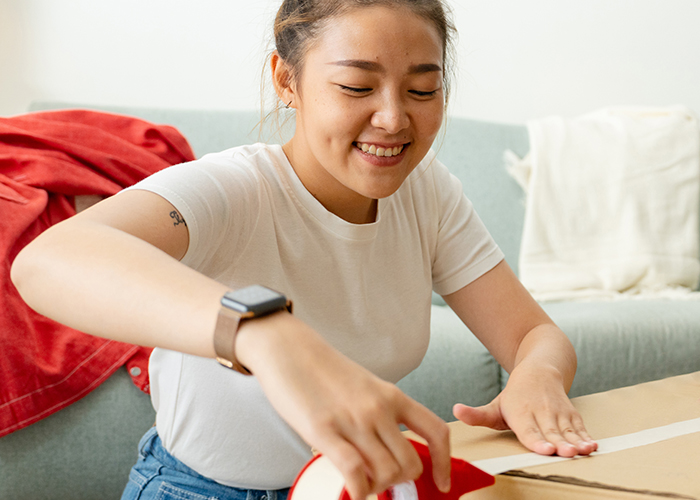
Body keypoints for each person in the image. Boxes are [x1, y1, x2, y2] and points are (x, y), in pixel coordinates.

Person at [11, 0, 598, 499]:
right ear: (286, 80)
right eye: (356, 87)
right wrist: (265, 333)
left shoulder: (430, 193)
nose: (393, 119)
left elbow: (532, 335)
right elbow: (49, 261)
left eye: (422, 88)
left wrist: (537, 376)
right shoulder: (235, 189)